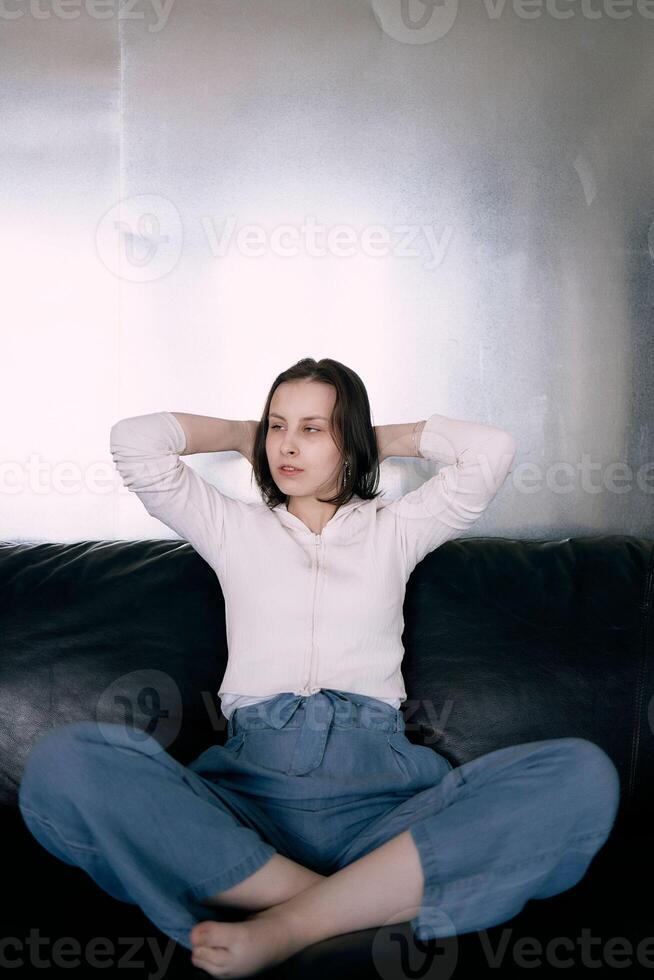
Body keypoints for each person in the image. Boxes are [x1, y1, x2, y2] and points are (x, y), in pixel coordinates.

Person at [18, 357, 620, 979]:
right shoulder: (229, 525)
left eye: (312, 428)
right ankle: (344, 903)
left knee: (579, 774)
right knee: (66, 763)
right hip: (249, 799)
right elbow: (135, 442)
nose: (286, 445)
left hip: (383, 801)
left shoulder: (398, 530)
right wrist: (242, 434)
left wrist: (370, 439)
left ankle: (288, 924)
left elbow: (491, 451)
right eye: (278, 427)